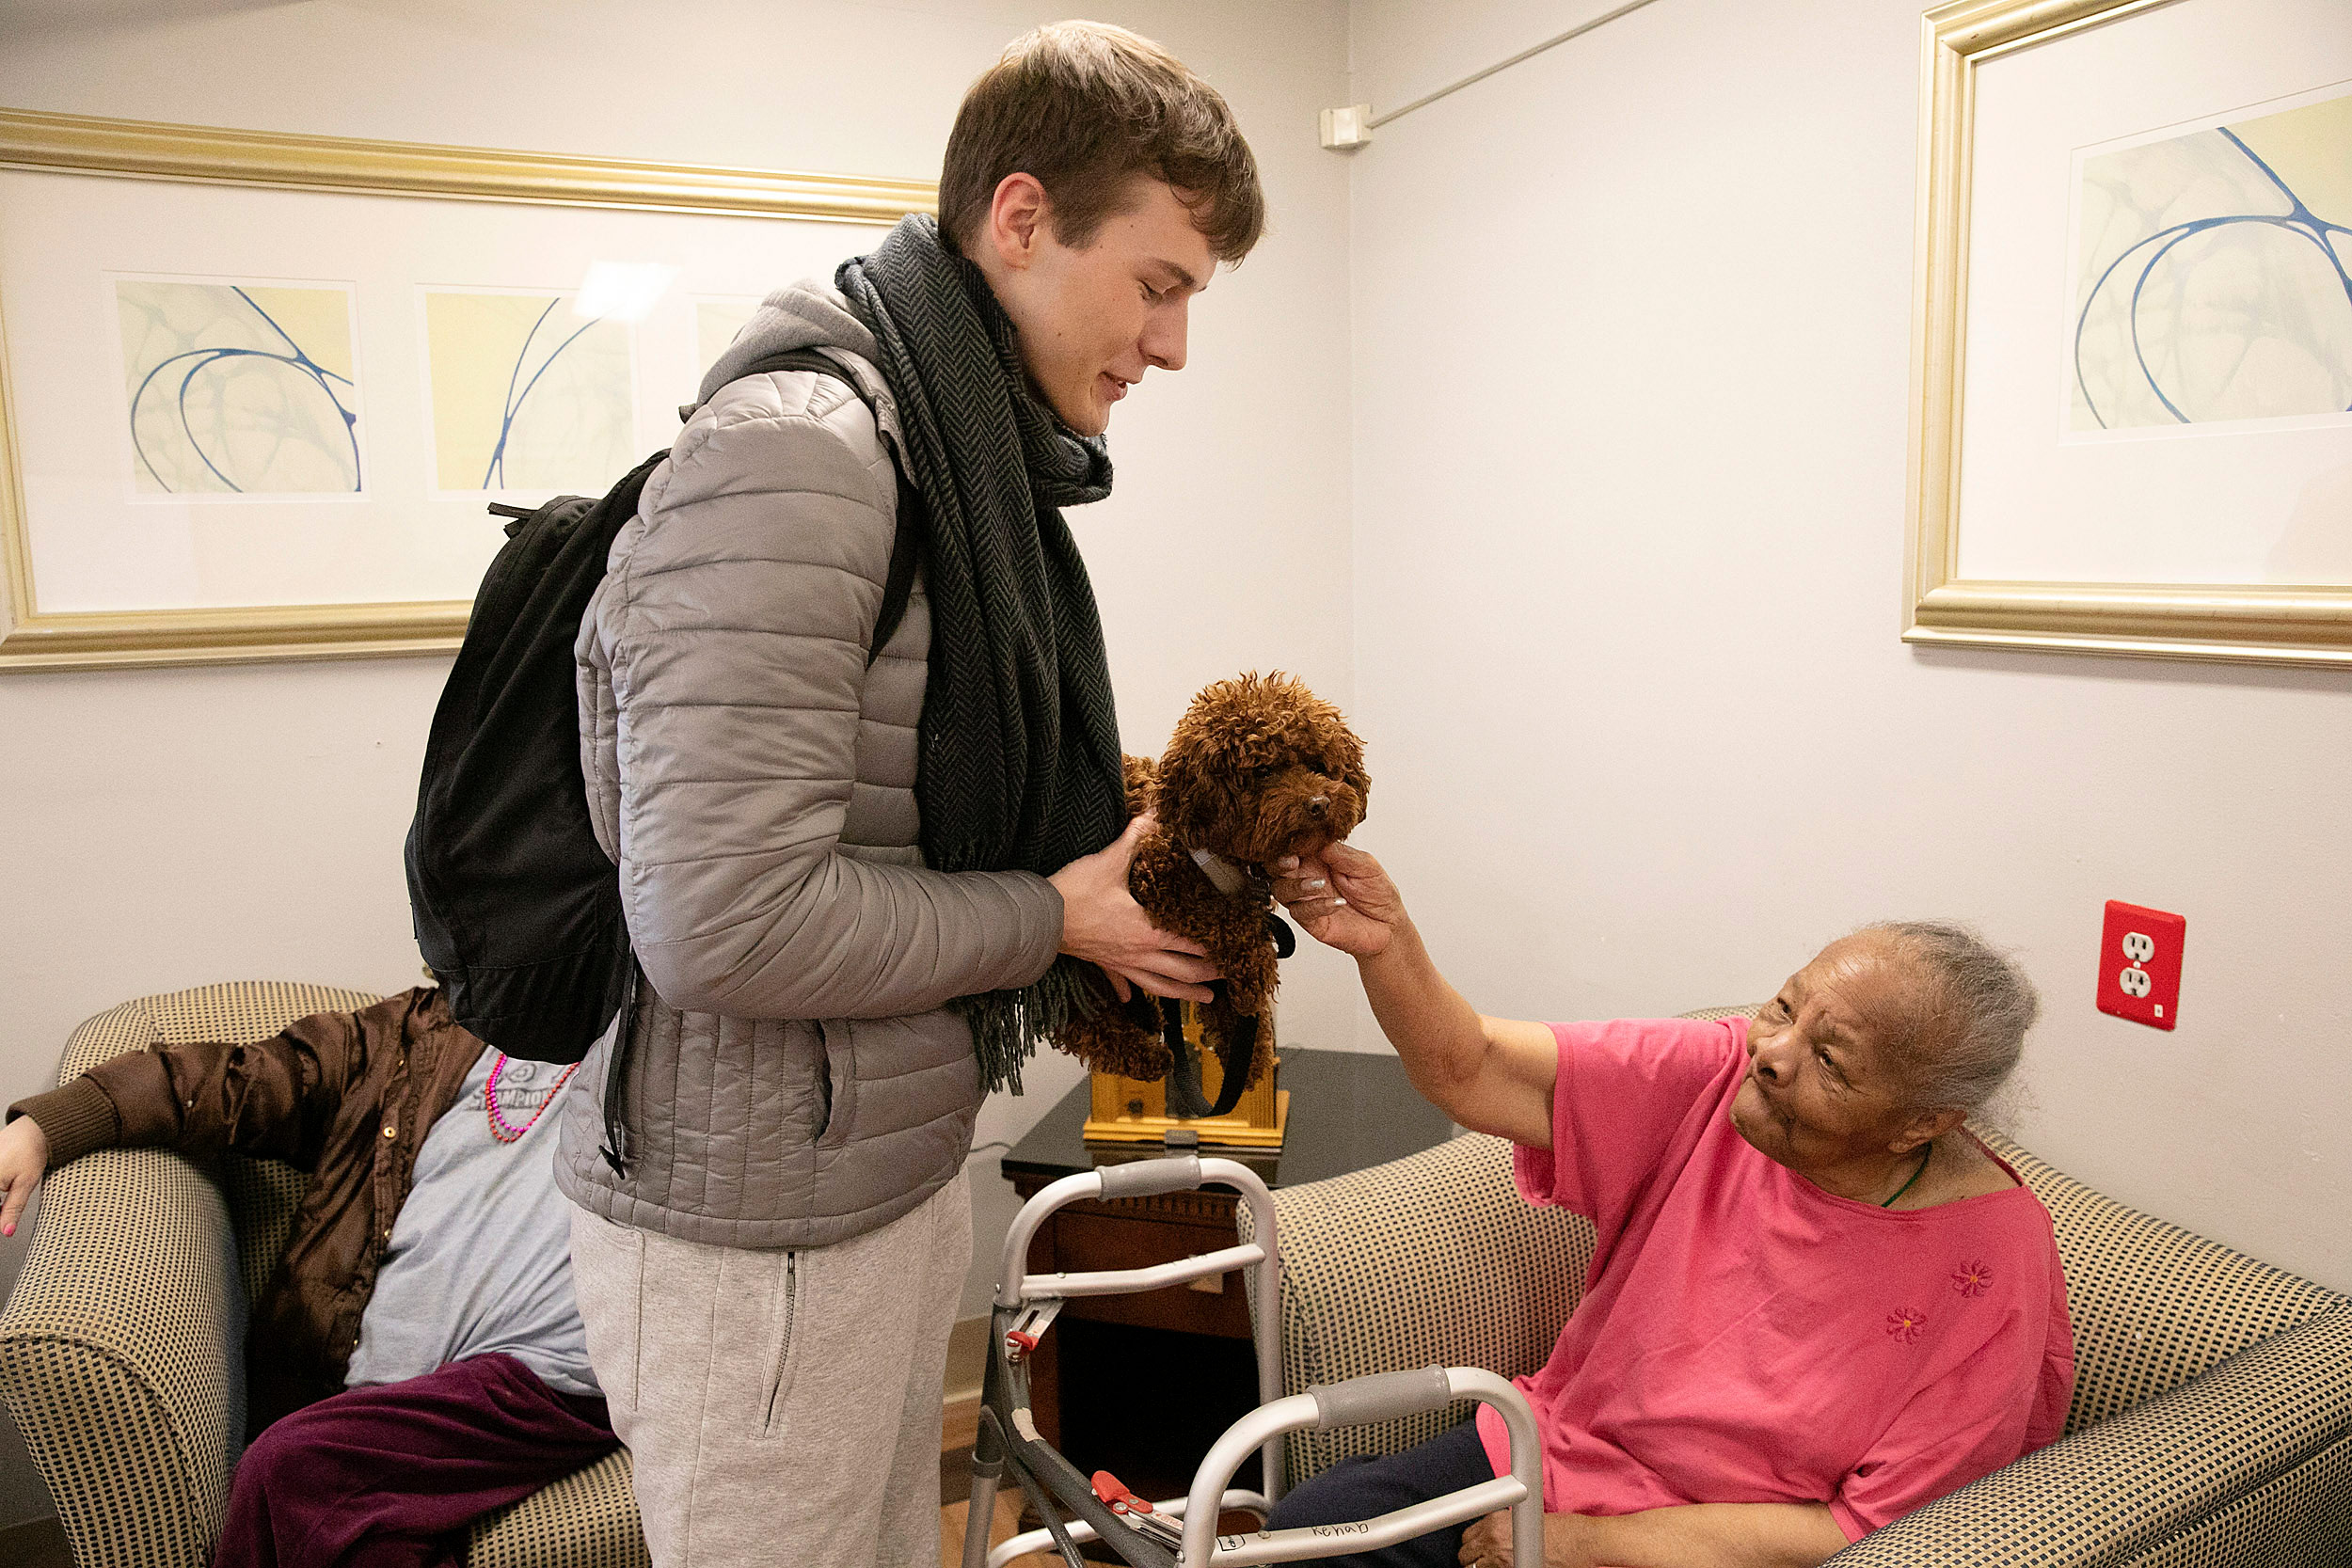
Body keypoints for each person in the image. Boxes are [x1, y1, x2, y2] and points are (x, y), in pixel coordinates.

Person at [555, 21, 1264, 1568]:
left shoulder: (949, 453)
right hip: (754, 1239)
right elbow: (719, 922)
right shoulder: (806, 451)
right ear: (1022, 220)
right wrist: (1049, 914)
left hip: (859, 1179)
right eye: (1159, 284)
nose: (1174, 345)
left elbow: (905, 797)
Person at [1263, 844, 2075, 1568]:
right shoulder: (1719, 1070)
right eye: (1786, 1008)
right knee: (1313, 1532)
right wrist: (1388, 941)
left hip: (1727, 1543)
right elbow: (1471, 1067)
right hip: (1563, 1451)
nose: (1771, 1056)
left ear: (1923, 1122)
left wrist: (1586, 1546)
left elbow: (1871, 1528)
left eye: (1830, 1059)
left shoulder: (1993, 1262)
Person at [0, 987, 615, 1568]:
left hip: (539, 1379)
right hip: (374, 1383)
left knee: (291, 1468)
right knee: (334, 1513)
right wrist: (45, 1128)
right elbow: (239, 1083)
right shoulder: (423, 1030)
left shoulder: (659, 1035)